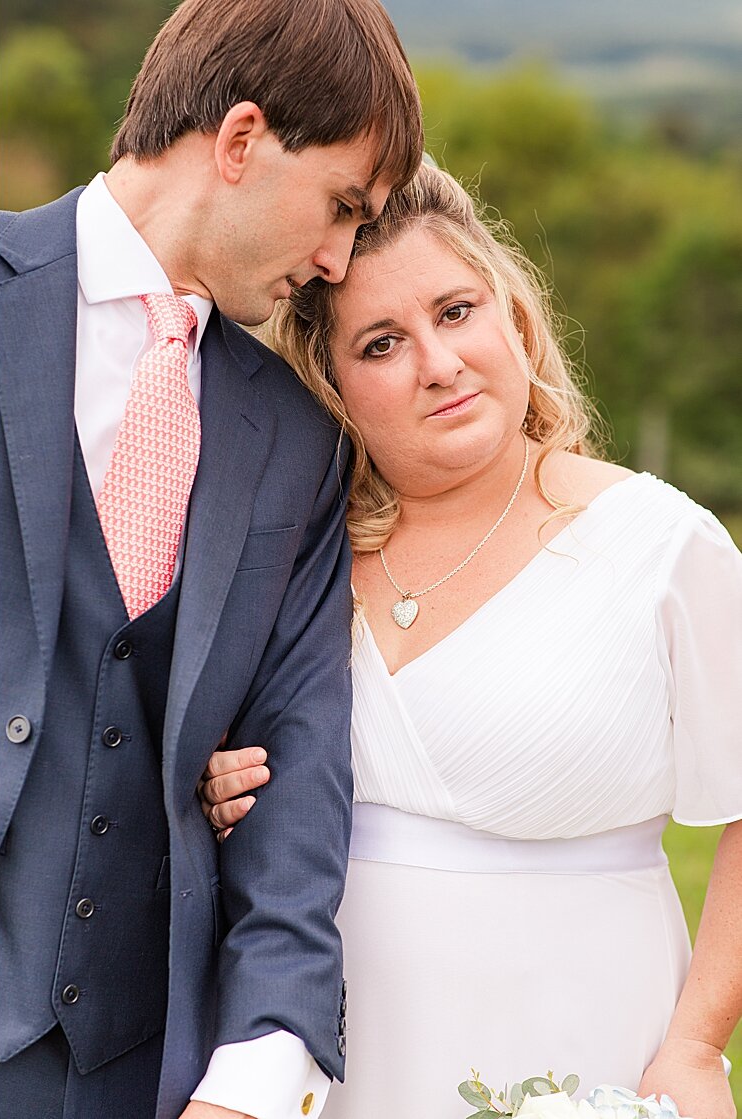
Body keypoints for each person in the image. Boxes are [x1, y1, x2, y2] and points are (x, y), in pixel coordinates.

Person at [201, 162, 742, 1118]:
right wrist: (215, 791)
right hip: (330, 1052)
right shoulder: (297, 562)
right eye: (382, 344)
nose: (438, 362)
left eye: (456, 312)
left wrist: (697, 1043)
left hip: (578, 1037)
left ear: (516, 321)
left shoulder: (659, 544)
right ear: (332, 387)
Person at [0, 0, 422, 1116]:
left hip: (162, 1067)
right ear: (239, 141)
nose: (337, 262)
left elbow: (301, 762)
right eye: (340, 207)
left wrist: (260, 1063)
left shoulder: (299, 437)